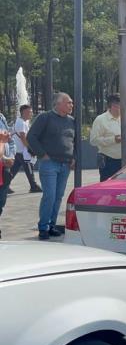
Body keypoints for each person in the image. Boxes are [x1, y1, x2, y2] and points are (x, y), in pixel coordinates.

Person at [27, 92, 75, 240]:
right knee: (50, 195)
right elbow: (31, 136)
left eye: (71, 103)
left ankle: (52, 225)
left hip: (65, 165)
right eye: (68, 103)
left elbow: (75, 141)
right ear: (58, 104)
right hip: (49, 164)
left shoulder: (71, 121)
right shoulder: (45, 117)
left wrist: (74, 157)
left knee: (59, 196)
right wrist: (42, 154)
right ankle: (43, 227)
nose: (71, 105)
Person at [90, 94, 122, 181]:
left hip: (125, 161)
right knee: (108, 189)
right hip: (108, 161)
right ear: (114, 106)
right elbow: (93, 140)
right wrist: (113, 139)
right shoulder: (100, 120)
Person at [10, 105, 41, 192]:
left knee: (14, 169)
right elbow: (23, 137)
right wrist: (29, 149)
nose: (31, 113)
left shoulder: (22, 121)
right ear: (24, 112)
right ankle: (33, 186)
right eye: (29, 112)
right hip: (22, 151)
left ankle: (5, 184)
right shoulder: (21, 123)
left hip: (19, 150)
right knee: (28, 167)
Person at [0, 107, 15, 195]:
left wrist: (11, 157)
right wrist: (4, 158)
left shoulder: (1, 117)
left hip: (4, 166)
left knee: (2, 200)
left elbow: (11, 141)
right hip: (3, 161)